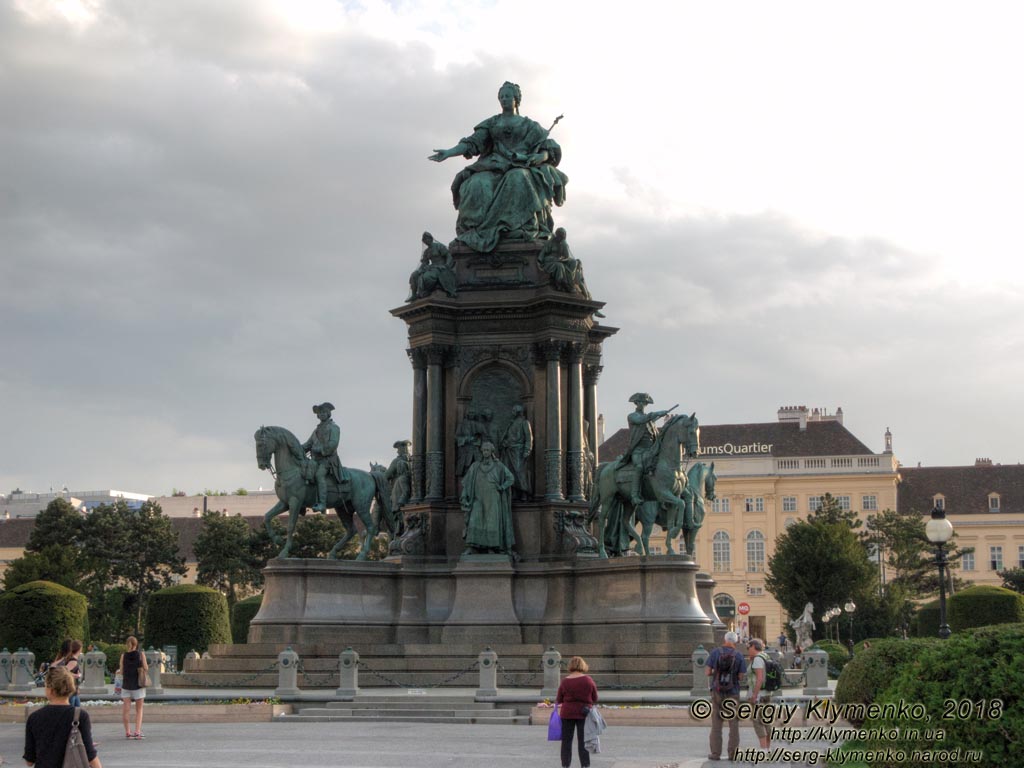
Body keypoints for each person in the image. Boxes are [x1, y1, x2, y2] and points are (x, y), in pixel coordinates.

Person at [428, 81, 569, 253]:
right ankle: (476, 231)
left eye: (507, 96)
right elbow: (472, 143)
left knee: (517, 178)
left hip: (521, 167)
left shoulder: (529, 125)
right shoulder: (492, 123)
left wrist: (540, 156)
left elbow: (548, 148)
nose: (504, 99)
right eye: (501, 97)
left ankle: (516, 227)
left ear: (516, 99)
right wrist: (450, 152)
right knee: (476, 184)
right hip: (493, 166)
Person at [23, 665, 102, 768]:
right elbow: (90, 755)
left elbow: (30, 761)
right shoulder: (80, 716)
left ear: (50, 690)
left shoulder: (34, 718)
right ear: (70, 688)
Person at [615, 393, 675, 505]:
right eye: (641, 402)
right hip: (638, 450)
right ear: (636, 403)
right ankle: (634, 495)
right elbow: (642, 420)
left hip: (650, 450)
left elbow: (655, 432)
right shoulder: (633, 416)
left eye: (645, 403)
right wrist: (658, 413)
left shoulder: (650, 421)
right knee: (639, 467)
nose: (643, 404)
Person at [460, 441, 515, 555]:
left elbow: (511, 478)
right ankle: (472, 547)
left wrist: (502, 487)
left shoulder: (499, 466)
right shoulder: (475, 466)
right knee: (475, 520)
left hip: (493, 498)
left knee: (492, 523)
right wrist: (464, 495)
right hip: (478, 498)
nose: (485, 452)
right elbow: (467, 483)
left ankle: (492, 547)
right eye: (483, 450)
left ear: (491, 452)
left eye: (487, 450)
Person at [705, 631, 747, 762]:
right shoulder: (739, 655)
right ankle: (733, 754)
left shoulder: (715, 652)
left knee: (716, 724)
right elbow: (741, 676)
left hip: (717, 691)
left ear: (724, 639)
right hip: (733, 692)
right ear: (735, 641)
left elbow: (707, 672)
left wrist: (717, 674)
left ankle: (715, 753)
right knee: (733, 724)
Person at [555, 656, 598, 768]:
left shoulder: (565, 681)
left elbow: (559, 699)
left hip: (567, 713)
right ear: (583, 665)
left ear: (571, 666)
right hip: (584, 713)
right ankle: (585, 765)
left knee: (566, 742)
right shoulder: (588, 680)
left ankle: (565, 765)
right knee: (583, 741)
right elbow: (595, 697)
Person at [302, 402, 343, 512]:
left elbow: (333, 444)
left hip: (328, 460)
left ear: (329, 414)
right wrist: (296, 449)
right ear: (318, 415)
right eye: (320, 413)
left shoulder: (334, 428)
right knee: (303, 472)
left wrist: (319, 449)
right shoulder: (316, 431)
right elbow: (308, 444)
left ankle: (322, 504)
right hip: (315, 460)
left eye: (324, 412)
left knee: (319, 475)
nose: (322, 414)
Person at [407, 232, 457, 300]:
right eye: (424, 240)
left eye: (426, 239)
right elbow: (425, 262)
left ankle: (425, 292)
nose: (425, 241)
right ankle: (414, 295)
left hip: (441, 267)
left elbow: (448, 256)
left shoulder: (439, 246)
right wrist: (419, 270)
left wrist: (447, 265)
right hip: (431, 267)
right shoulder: (427, 251)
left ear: (430, 238)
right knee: (414, 275)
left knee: (427, 277)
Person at [499, 404, 533, 501]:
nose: (512, 412)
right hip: (509, 451)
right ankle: (514, 492)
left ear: (518, 412)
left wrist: (527, 450)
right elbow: (508, 437)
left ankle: (524, 493)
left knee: (519, 472)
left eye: (514, 411)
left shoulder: (524, 422)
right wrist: (505, 443)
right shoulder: (511, 423)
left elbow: (529, 438)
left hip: (519, 451)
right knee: (509, 472)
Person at [118, 636, 149, 739]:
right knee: (139, 709)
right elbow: (146, 668)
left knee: (126, 710)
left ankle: (127, 732)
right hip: (138, 685)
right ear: (136, 644)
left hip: (126, 685)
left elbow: (121, 671)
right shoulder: (141, 654)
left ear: (127, 644)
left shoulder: (123, 656)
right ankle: (137, 731)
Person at [746, 638, 773, 749]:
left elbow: (759, 678)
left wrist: (754, 695)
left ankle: (763, 749)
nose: (748, 649)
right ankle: (767, 748)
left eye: (749, 647)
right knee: (766, 721)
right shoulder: (765, 656)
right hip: (767, 693)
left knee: (757, 722)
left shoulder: (757, 659)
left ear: (753, 647)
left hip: (759, 695)